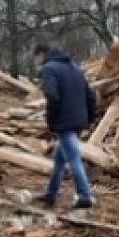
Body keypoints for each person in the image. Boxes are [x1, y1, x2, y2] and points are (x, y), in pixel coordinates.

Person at [35, 43, 96, 209]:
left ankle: (85, 196)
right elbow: (90, 95)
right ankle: (50, 194)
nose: (38, 61)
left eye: (38, 57)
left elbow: (52, 96)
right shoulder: (75, 68)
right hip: (79, 119)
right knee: (59, 159)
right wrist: (90, 118)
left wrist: (52, 120)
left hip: (65, 121)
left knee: (73, 158)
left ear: (42, 54)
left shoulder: (49, 69)